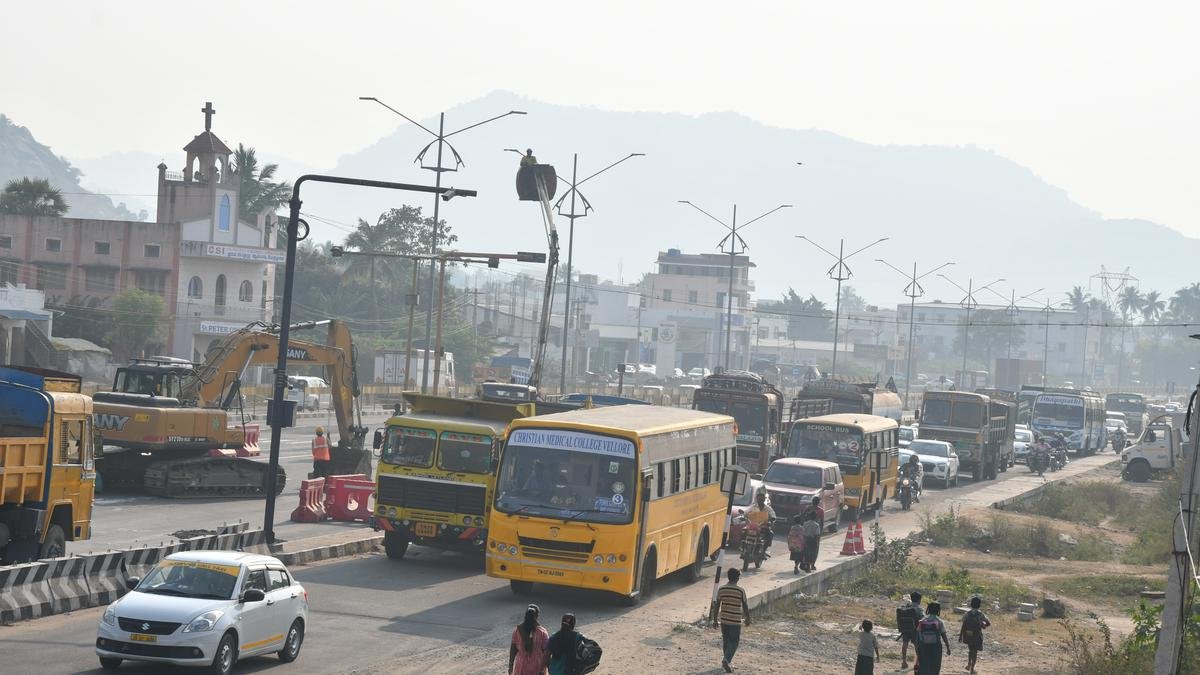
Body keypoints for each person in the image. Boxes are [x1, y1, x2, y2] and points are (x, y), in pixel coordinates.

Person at [712, 567, 750, 673]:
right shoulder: (740, 590)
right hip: (735, 621)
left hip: (724, 620)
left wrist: (715, 620)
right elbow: (745, 605)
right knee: (734, 641)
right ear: (737, 578)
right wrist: (748, 618)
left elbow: (717, 606)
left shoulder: (722, 589)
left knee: (726, 641)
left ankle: (727, 661)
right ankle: (726, 660)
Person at [509, 604, 549, 675]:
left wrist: (511, 665)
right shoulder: (542, 632)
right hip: (537, 666)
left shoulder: (517, 630)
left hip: (521, 666)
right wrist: (546, 668)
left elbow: (513, 648)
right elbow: (546, 652)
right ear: (537, 616)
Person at [916, 602, 951, 675]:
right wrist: (948, 647)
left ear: (928, 609)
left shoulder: (922, 620)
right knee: (935, 665)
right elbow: (944, 635)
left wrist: (918, 647)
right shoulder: (939, 621)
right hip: (936, 647)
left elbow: (918, 633)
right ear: (938, 611)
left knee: (924, 664)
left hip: (924, 646)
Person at [959, 596, 991, 674]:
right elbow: (988, 623)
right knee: (975, 652)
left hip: (968, 635)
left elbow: (963, 624)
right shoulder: (980, 614)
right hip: (977, 636)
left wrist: (961, 636)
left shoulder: (967, 613)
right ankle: (972, 668)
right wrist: (983, 625)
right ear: (979, 605)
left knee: (970, 650)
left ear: (971, 604)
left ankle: (969, 663)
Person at [897, 591, 923, 670]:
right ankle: (918, 663)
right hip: (915, 630)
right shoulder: (919, 608)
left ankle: (904, 662)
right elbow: (922, 618)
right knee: (917, 646)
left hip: (905, 629)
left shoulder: (906, 607)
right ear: (919, 600)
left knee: (905, 644)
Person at [800, 496, 825, 572]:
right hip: (815, 533)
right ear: (818, 502)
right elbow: (822, 522)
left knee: (805, 549)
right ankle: (812, 564)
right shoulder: (821, 511)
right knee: (814, 550)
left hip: (806, 532)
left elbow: (802, 516)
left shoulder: (808, 508)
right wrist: (820, 532)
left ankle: (805, 563)